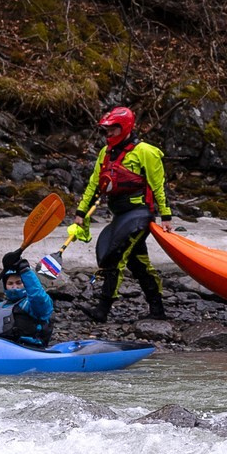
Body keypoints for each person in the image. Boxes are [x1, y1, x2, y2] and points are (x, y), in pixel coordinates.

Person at [66, 105, 168, 323]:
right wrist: (81, 212)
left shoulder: (146, 152)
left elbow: (158, 187)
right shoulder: (105, 153)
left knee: (114, 257)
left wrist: (166, 217)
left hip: (140, 214)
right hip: (121, 217)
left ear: (126, 127)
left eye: (113, 129)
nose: (108, 134)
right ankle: (157, 309)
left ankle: (102, 310)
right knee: (137, 262)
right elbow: (94, 184)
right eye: (106, 130)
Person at [0, 252, 55, 349]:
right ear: (5, 286)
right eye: (10, 283)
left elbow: (38, 296)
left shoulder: (32, 305)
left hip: (31, 350)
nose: (14, 287)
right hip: (3, 351)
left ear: (25, 283)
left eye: (18, 283)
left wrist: (25, 271)